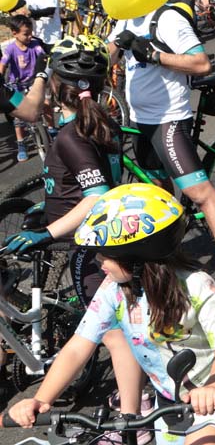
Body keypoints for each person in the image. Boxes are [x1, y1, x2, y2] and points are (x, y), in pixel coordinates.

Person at [7, 184, 215, 445]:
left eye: (106, 255)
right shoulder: (114, 289)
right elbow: (78, 347)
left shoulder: (198, 285)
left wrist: (212, 389)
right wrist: (41, 398)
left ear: (139, 258)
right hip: (169, 399)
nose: (99, 261)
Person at [2, 35, 147, 422]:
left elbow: (95, 195)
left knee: (116, 336)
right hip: (98, 239)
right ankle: (135, 407)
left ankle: (134, 416)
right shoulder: (95, 124)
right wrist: (43, 207)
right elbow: (78, 186)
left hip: (90, 247)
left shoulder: (72, 136)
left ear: (56, 88)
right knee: (121, 329)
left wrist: (47, 234)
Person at [108, 0, 215, 296]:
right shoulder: (125, 16)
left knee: (199, 192)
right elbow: (107, 55)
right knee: (157, 191)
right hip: (141, 120)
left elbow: (201, 63)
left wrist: (156, 56)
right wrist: (117, 43)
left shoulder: (168, 18)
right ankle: (170, 256)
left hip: (169, 118)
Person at [0, 15, 46, 161]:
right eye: (26, 34)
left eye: (31, 32)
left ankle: (51, 130)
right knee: (18, 119)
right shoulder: (10, 49)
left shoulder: (34, 45)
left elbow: (42, 54)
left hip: (33, 82)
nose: (30, 36)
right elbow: (3, 63)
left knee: (46, 105)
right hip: (17, 85)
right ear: (14, 33)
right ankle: (21, 144)